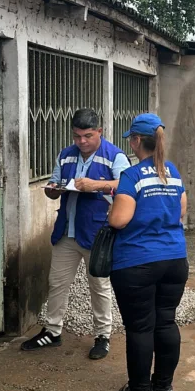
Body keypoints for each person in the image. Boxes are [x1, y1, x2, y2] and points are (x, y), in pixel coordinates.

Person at [21, 109, 130, 359]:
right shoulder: (66, 155)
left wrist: (97, 185)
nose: (81, 141)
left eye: (88, 136)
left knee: (99, 286)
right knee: (57, 283)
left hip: (97, 232)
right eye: (77, 136)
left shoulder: (114, 156)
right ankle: (52, 331)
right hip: (66, 232)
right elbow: (55, 182)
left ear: (100, 132)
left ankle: (103, 335)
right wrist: (52, 189)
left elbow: (126, 185)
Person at [108, 113, 188, 391]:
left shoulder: (132, 175)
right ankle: (163, 388)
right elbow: (180, 212)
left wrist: (112, 208)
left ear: (137, 141)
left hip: (137, 262)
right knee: (165, 321)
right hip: (174, 259)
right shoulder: (173, 172)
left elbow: (119, 220)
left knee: (141, 328)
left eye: (131, 138)